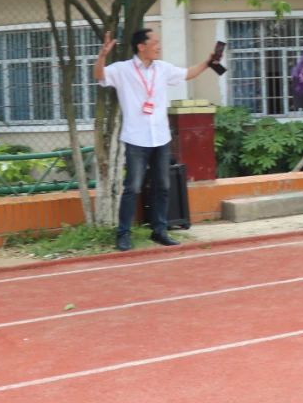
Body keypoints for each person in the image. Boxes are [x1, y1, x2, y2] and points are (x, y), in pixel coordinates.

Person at [95, 28, 221, 251]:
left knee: (163, 186)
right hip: (136, 138)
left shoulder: (162, 69)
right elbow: (100, 76)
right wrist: (103, 55)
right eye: (155, 42)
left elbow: (188, 73)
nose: (159, 46)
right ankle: (123, 234)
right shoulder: (123, 69)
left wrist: (208, 62)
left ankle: (160, 231)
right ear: (141, 46)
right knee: (133, 187)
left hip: (161, 138)